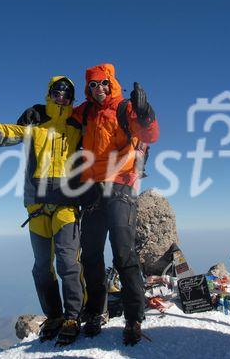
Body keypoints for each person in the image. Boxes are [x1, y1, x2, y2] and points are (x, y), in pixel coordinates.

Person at [0, 77, 85, 346]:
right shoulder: (34, 117)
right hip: (36, 204)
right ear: (49, 93)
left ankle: (73, 316)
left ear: (72, 98)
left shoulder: (78, 124)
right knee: (41, 269)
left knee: (68, 263)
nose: (62, 97)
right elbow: (3, 136)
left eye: (67, 94)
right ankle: (55, 317)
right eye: (57, 92)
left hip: (67, 203)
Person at [72, 63, 160, 346]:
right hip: (93, 190)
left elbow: (150, 135)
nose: (99, 89)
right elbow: (61, 118)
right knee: (91, 255)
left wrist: (146, 114)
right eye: (94, 85)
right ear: (88, 88)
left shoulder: (125, 108)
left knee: (123, 253)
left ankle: (134, 318)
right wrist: (38, 112)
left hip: (121, 184)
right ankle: (96, 312)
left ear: (112, 83)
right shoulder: (83, 112)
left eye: (104, 83)